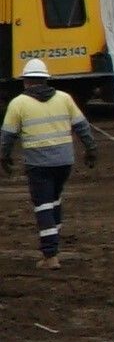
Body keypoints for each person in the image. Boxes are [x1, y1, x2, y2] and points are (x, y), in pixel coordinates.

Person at [5, 71, 81, 267]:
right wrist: (91, 149)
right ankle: (53, 246)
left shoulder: (18, 103)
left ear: (25, 82)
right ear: (46, 79)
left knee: (43, 205)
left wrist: (4, 157)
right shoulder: (65, 98)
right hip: (64, 162)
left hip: (38, 164)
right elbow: (82, 126)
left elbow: (7, 136)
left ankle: (50, 255)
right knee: (55, 201)